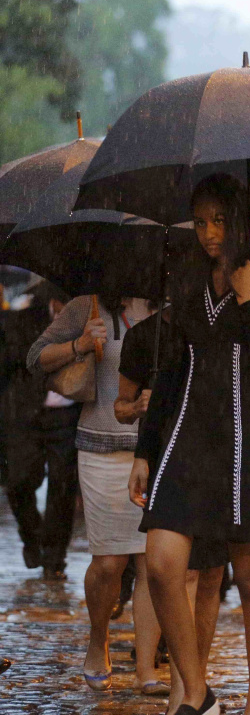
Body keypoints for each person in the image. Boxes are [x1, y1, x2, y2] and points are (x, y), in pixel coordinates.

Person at [129, 173, 250, 715]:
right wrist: (145, 451)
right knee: (161, 561)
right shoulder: (187, 279)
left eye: (218, 221)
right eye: (199, 221)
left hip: (248, 440)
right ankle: (197, 692)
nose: (207, 233)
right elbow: (170, 370)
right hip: (186, 439)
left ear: (240, 221)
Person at [28, 290, 161, 694]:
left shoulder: (166, 302)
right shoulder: (87, 306)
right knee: (108, 564)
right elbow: (36, 358)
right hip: (101, 449)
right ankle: (97, 639)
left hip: (157, 449)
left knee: (152, 566)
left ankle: (146, 669)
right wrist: (80, 344)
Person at [115, 304, 228, 715]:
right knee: (179, 570)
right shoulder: (153, 335)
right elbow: (135, 400)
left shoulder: (233, 314)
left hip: (223, 448)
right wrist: (143, 449)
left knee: (212, 572)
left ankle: (193, 685)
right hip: (173, 451)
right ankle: (183, 694)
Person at [1, 282, 80, 579]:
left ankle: (54, 559)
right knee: (19, 481)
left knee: (63, 487)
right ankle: (32, 537)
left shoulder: (93, 317)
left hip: (69, 414)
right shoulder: (25, 317)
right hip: (27, 415)